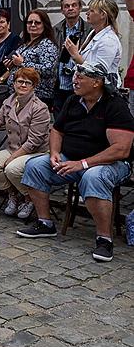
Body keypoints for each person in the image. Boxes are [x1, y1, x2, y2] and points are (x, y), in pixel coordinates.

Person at [17, 63, 134, 263]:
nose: (75, 80)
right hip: (71, 158)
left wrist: (83, 164)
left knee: (93, 177)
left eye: (81, 77)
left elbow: (120, 149)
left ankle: (104, 238)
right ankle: (45, 223)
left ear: (97, 82)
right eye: (76, 76)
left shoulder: (115, 105)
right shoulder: (73, 101)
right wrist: (54, 153)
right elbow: (57, 130)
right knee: (35, 166)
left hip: (111, 163)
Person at [0, 67, 50, 219]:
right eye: (20, 81)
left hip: (36, 152)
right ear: (13, 84)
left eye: (28, 83)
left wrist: (12, 158)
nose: (23, 85)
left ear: (34, 86)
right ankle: (13, 195)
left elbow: (34, 141)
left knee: (12, 168)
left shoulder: (39, 108)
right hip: (13, 148)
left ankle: (30, 198)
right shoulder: (9, 102)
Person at [63, 0, 122, 91]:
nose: (87, 13)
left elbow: (99, 73)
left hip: (101, 95)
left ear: (103, 14)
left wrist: (76, 56)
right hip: (88, 90)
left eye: (91, 11)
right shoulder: (93, 33)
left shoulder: (109, 40)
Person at [2, 9, 59, 104]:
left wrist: (22, 63)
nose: (32, 25)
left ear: (44, 25)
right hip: (18, 95)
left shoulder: (47, 44)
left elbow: (49, 70)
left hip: (37, 97)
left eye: (37, 22)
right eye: (29, 22)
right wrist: (11, 65)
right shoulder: (25, 43)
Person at [53, 0, 92, 112]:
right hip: (60, 84)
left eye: (74, 5)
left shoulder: (90, 29)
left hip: (81, 83)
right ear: (62, 10)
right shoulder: (56, 29)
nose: (70, 8)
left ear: (80, 8)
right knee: (59, 121)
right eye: (66, 6)